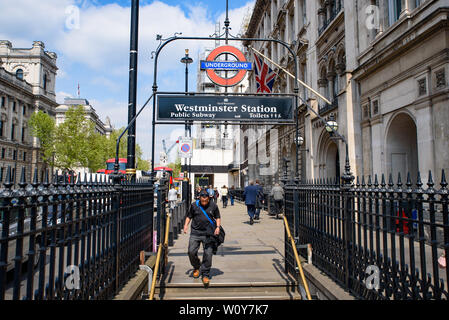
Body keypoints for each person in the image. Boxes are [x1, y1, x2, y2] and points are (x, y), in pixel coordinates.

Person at [183, 188, 221, 286]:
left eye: (206, 200)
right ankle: (196, 266)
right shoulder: (194, 205)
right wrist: (186, 225)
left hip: (208, 233)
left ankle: (205, 274)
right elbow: (189, 216)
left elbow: (217, 217)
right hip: (195, 233)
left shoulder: (213, 205)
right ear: (199, 198)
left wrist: (217, 227)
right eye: (202, 200)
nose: (204, 202)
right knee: (191, 251)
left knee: (208, 254)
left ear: (209, 198)